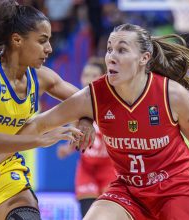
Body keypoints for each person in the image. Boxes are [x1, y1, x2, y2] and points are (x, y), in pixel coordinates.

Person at [19, 23, 189, 220]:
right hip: (129, 189)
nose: (111, 57)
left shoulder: (172, 94)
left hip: (175, 190)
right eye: (109, 49)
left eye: (122, 50)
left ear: (144, 58)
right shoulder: (94, 95)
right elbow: (40, 124)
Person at [0, 1, 93, 219]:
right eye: (42, 41)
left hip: (1, 167)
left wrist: (86, 121)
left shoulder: (42, 77)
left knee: (25, 216)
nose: (49, 49)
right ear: (17, 40)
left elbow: (88, 101)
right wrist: (39, 140)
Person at [57, 57, 116, 217]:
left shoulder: (114, 104)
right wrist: (67, 148)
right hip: (86, 169)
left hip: (110, 169)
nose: (88, 79)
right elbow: (74, 133)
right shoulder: (78, 104)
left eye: (93, 75)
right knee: (88, 214)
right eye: (86, 75)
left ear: (104, 77)